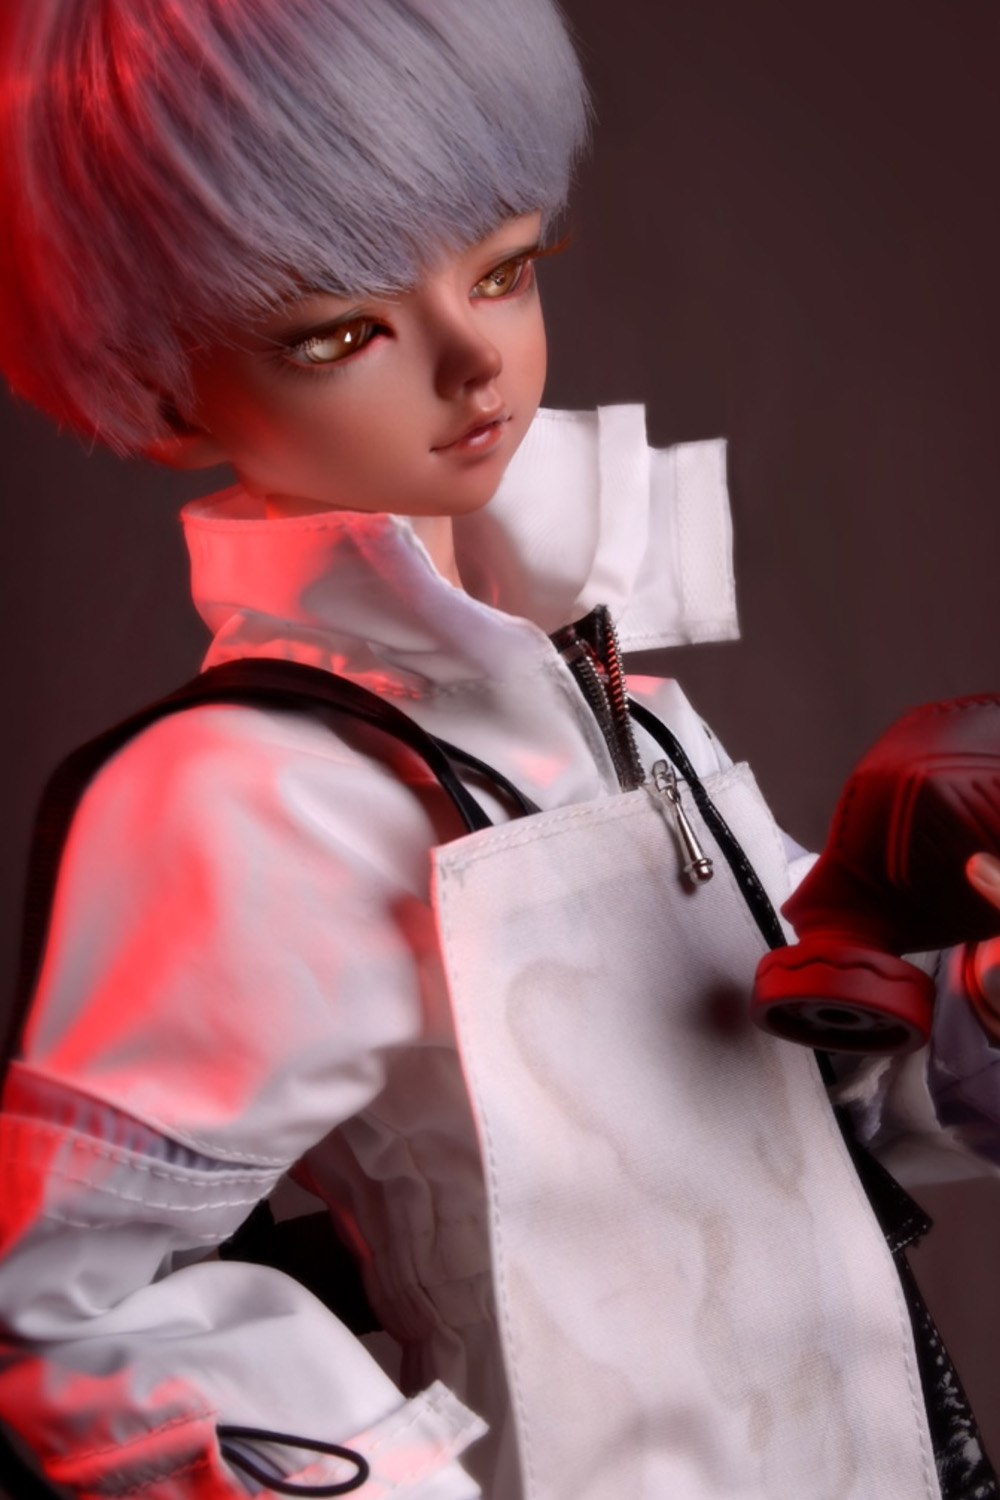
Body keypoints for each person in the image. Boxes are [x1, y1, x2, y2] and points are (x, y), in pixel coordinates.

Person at [0, 2, 999, 1497]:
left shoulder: (608, 693)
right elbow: (67, 1308)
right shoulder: (238, 800)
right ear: (164, 391)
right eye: (341, 331)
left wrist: (970, 995)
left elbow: (801, 1109)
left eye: (505, 268)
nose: (475, 360)